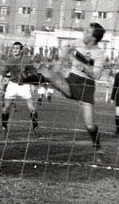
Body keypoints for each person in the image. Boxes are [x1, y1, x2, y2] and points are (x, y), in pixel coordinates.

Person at [39, 23, 107, 161]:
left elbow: (96, 74)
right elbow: (67, 46)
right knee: (46, 73)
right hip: (72, 81)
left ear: (93, 38)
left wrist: (85, 68)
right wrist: (61, 59)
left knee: (89, 125)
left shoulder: (100, 54)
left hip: (87, 87)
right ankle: (24, 79)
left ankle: (98, 147)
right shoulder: (78, 42)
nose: (84, 33)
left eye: (87, 32)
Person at [0, 41, 41, 135]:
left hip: (24, 86)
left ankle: (36, 127)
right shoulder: (9, 61)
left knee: (32, 108)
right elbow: (2, 74)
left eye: (17, 48)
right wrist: (0, 85)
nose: (15, 50)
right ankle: (4, 126)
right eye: (14, 48)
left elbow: (34, 72)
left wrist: (34, 84)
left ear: (21, 50)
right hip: (12, 85)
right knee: (6, 108)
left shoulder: (27, 60)